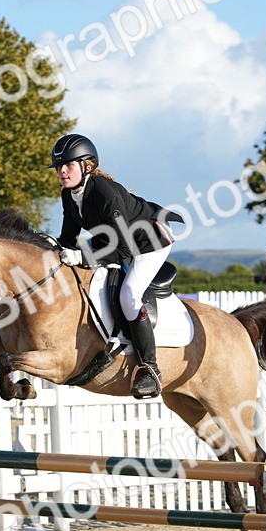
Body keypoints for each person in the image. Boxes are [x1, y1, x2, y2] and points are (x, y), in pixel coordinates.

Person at [50, 133, 183, 399]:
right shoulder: (69, 195)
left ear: (87, 165)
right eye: (59, 167)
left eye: (69, 165)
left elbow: (123, 248)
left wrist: (83, 258)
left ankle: (150, 368)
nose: (62, 171)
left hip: (149, 241)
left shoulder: (103, 191)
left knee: (129, 295)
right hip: (115, 239)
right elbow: (68, 239)